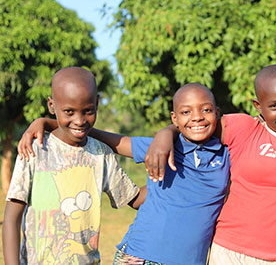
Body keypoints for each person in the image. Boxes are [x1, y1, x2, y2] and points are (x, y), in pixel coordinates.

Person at [17, 65, 276, 264]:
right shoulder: (236, 128)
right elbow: (147, 134)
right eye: (274, 105)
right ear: (257, 108)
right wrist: (55, 123)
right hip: (219, 253)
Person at [17, 83, 231, 265]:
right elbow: (112, 140)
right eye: (186, 112)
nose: (197, 118)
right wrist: (47, 123)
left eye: (206, 110)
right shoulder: (161, 147)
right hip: (139, 255)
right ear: (174, 118)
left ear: (218, 112)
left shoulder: (229, 155)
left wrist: (167, 133)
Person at [3, 67, 145, 265]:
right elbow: (11, 218)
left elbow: (134, 198)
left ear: (96, 104)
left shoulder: (101, 154)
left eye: (88, 111)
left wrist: (183, 177)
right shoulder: (34, 149)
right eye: (69, 112)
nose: (79, 121)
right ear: (52, 106)